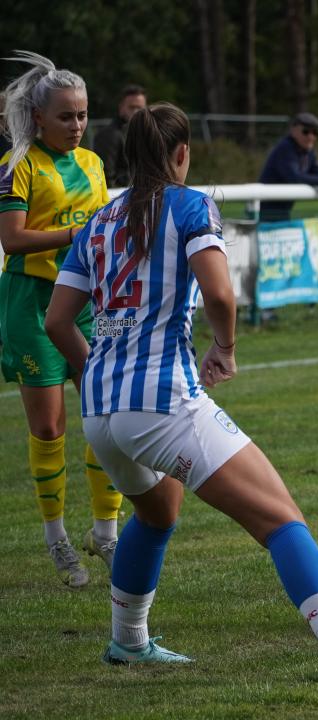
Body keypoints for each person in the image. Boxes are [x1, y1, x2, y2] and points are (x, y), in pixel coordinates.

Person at [43, 101, 318, 681]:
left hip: (101, 414)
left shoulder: (96, 222)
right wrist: (225, 348)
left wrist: (96, 375)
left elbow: (58, 322)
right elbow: (219, 295)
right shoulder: (190, 205)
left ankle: (128, 642)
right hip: (163, 402)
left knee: (158, 513)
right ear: (182, 154)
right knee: (281, 517)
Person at [0, 51, 123, 588]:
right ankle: (57, 541)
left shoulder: (95, 163)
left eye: (83, 115)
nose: (77, 125)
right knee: (49, 426)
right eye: (66, 116)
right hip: (32, 302)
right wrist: (75, 235)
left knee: (107, 415)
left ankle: (106, 532)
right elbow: (11, 239)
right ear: (38, 118)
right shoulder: (17, 165)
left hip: (87, 303)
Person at [258, 112, 318, 222]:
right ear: (293, 130)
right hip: (267, 212)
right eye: (306, 132)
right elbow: (294, 177)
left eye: (315, 133)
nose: (311, 137)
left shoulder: (307, 150)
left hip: (282, 211)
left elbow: (317, 173)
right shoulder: (286, 147)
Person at [93, 84, 147, 187]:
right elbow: (106, 178)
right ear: (121, 108)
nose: (135, 111)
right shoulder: (108, 135)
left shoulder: (147, 133)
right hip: (121, 198)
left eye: (139, 107)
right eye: (131, 107)